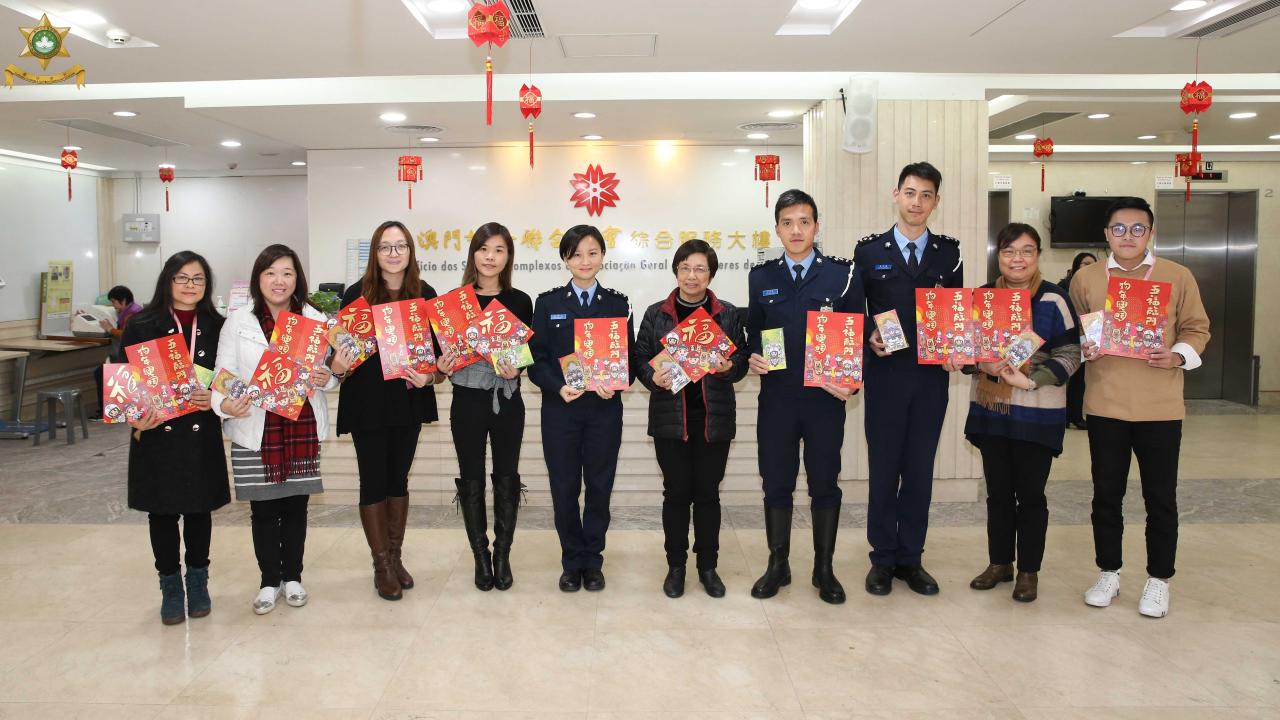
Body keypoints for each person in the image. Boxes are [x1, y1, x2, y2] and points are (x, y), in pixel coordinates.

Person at [1069, 196, 1210, 618]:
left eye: (1137, 229)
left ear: (1150, 233)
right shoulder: (1087, 278)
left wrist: (1178, 355)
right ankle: (1108, 572)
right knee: (1105, 495)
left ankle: (1159, 579)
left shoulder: (1177, 275)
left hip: (1160, 407)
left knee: (1160, 498)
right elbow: (1075, 330)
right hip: (1106, 404)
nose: (1127, 236)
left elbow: (1197, 328)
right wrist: (1085, 347)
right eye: (1118, 228)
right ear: (1106, 234)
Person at [212, 244, 346, 615]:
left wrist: (327, 376)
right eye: (270, 272)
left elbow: (330, 375)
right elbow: (223, 373)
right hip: (254, 428)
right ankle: (269, 580)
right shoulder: (238, 321)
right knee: (264, 510)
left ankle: (293, 577)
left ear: (297, 278)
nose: (279, 281)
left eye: (287, 273)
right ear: (258, 278)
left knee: (296, 507)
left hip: (301, 425)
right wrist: (224, 404)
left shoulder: (316, 321)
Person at [746, 188, 864, 605]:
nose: (796, 230)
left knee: (824, 483)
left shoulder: (842, 274)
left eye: (804, 222)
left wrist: (853, 382)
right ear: (777, 229)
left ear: (816, 226)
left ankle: (824, 568)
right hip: (777, 399)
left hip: (824, 400)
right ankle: (778, 564)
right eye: (787, 223)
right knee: (776, 482)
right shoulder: (761, 277)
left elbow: (857, 335)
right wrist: (753, 355)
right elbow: (754, 331)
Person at [856, 161, 963, 597]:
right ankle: (882, 558)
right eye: (910, 193)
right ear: (896, 195)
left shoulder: (949, 253)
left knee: (919, 471)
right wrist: (869, 334)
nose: (916, 202)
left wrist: (958, 347)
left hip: (931, 381)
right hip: (885, 377)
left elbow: (955, 313)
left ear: (936, 201)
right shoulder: (868, 252)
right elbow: (853, 311)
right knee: (884, 471)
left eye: (926, 195)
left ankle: (911, 558)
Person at [963, 224, 1081, 603]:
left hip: (1037, 414)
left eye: (1027, 251)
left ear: (1038, 256)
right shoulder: (982, 297)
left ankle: (1029, 570)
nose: (1018, 259)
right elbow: (963, 350)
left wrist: (1030, 380)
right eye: (1010, 251)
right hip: (992, 413)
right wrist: (981, 363)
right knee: (997, 494)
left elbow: (1071, 354)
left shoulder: (1055, 299)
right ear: (999, 255)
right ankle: (1000, 563)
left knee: (1031, 495)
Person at [332, 220, 442, 602]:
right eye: (385, 247)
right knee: (373, 480)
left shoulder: (425, 294)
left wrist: (431, 376)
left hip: (409, 400)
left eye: (400, 246)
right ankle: (381, 566)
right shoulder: (356, 295)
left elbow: (441, 358)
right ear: (375, 254)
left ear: (410, 251)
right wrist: (338, 365)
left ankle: (395, 557)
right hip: (367, 403)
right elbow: (342, 358)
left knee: (399, 480)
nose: (393, 253)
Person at [636, 239, 749, 599]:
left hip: (713, 421)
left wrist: (729, 366)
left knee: (708, 495)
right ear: (676, 271)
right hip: (672, 420)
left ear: (711, 275)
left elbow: (742, 359)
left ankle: (708, 566)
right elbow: (640, 357)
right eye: (685, 267)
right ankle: (676, 566)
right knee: (675, 494)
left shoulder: (726, 314)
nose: (691, 275)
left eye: (700, 268)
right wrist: (651, 376)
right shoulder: (656, 314)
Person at [120, 251, 229, 625]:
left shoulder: (218, 325)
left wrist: (213, 394)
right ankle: (170, 586)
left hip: (200, 431)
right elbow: (120, 377)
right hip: (156, 433)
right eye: (182, 277)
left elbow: (231, 374)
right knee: (162, 513)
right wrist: (134, 415)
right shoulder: (141, 324)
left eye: (198, 279)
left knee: (199, 511)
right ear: (167, 281)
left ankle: (198, 583)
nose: (190, 285)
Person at [529, 224, 635, 593]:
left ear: (603, 256)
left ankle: (593, 560)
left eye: (592, 253)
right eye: (576, 254)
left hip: (604, 410)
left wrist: (616, 382)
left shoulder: (618, 304)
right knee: (564, 487)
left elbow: (629, 364)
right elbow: (536, 361)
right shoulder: (548, 304)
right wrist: (558, 386)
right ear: (565, 259)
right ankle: (571, 561)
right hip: (561, 411)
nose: (584, 261)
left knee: (600, 486)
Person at [436, 222, 533, 592]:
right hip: (467, 400)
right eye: (484, 249)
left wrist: (517, 367)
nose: (490, 257)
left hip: (507, 398)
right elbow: (440, 359)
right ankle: (480, 556)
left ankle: (502, 555)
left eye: (499, 250)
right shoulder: (453, 302)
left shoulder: (520, 300)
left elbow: (527, 354)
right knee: (471, 476)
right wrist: (441, 366)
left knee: (507, 474)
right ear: (473, 253)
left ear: (508, 257)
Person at [1058, 252, 1097, 430]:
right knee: (1066, 378)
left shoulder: (1097, 286)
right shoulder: (1063, 286)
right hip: (1069, 338)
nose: (1089, 267)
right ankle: (1066, 416)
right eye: (1085, 263)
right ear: (1076, 265)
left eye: (1093, 264)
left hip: (1088, 337)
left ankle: (1074, 415)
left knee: (1079, 380)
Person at [94, 285, 143, 416]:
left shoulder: (131, 315)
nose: (113, 306)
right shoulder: (135, 309)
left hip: (130, 359)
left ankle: (105, 412)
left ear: (123, 300)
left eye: (114, 302)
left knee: (100, 372)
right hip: (137, 356)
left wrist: (110, 329)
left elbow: (125, 334)